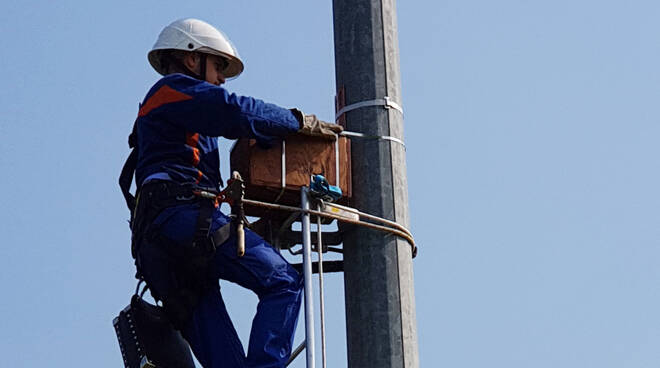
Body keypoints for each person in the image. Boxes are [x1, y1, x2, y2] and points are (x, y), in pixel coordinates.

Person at [119, 18, 342, 368]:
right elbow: (233, 109)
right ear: (192, 59)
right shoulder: (171, 91)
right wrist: (295, 122)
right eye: (219, 65)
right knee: (283, 282)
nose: (222, 77)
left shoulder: (170, 119)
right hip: (181, 221)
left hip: (162, 247)